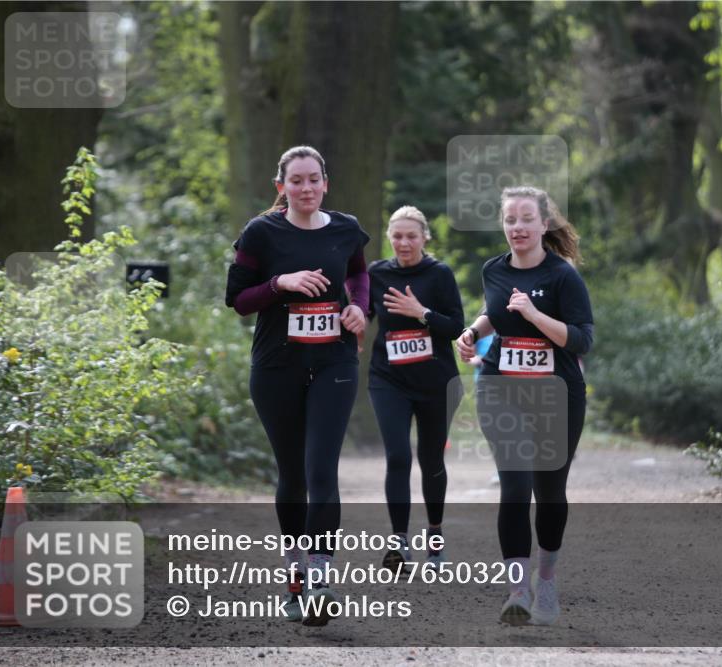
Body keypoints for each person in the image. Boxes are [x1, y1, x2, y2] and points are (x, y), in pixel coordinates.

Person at [224, 145, 369, 626]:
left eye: (313, 180)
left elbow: (359, 274)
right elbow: (237, 299)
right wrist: (280, 284)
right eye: (296, 181)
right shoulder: (262, 232)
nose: (305, 188)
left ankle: (321, 582)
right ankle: (295, 576)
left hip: (335, 363)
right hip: (276, 366)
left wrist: (359, 308)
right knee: (293, 473)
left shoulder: (346, 228)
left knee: (322, 468)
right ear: (281, 186)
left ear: (325, 183)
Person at [456, 186, 593, 626]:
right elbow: (496, 310)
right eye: (510, 220)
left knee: (549, 492)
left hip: (557, 394)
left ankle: (546, 580)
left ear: (543, 224)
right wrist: (474, 332)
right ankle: (517, 589)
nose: (517, 227)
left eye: (525, 219)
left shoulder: (563, 277)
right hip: (501, 387)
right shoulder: (493, 269)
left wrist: (535, 316)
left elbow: (582, 339)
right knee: (514, 487)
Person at [367, 206, 465, 570]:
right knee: (397, 456)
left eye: (411, 236)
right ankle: (399, 541)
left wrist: (420, 312)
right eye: (397, 236)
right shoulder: (377, 273)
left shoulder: (439, 274)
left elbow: (455, 326)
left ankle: (435, 541)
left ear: (425, 237)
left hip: (435, 382)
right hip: (388, 379)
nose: (403, 242)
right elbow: (363, 312)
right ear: (389, 237)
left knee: (431, 460)